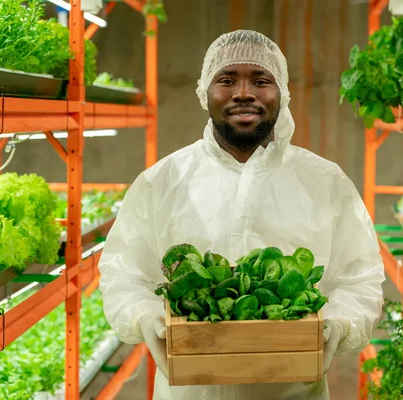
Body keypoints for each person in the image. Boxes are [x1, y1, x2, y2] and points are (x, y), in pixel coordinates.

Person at [98, 29, 385, 400]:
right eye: (227, 80)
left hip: (293, 391)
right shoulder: (162, 181)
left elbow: (359, 278)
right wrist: (144, 317)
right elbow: (124, 273)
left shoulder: (325, 182)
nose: (244, 93)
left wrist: (339, 324)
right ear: (205, 91)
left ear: (282, 91)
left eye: (261, 80)